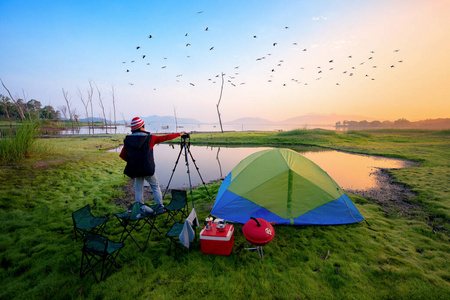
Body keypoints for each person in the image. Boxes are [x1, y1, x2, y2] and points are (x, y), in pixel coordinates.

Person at [119, 117, 186, 213]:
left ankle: (139, 209)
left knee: (138, 189)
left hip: (135, 169)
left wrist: (133, 162)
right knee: (155, 187)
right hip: (148, 169)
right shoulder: (150, 138)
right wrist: (179, 134)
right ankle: (160, 207)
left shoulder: (128, 140)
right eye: (144, 126)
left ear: (133, 128)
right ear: (141, 127)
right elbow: (165, 138)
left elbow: (122, 155)